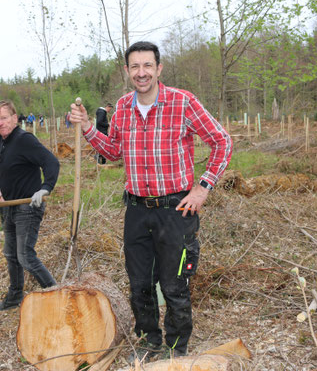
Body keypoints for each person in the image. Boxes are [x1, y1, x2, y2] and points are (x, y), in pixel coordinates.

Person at [69, 41, 232, 361]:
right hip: (136, 210)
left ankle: (175, 348)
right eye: (134, 67)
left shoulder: (183, 102)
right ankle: (148, 342)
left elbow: (221, 142)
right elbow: (113, 151)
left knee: (174, 286)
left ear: (159, 69)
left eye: (147, 66)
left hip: (176, 210)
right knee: (140, 284)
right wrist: (88, 127)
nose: (141, 73)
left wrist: (202, 188)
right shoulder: (123, 107)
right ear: (127, 71)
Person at [0, 100, 60, 311]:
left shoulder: (24, 139)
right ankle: (15, 297)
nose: (0, 123)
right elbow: (13, 174)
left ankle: (57, 295)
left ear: (15, 118)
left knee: (25, 255)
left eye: (4, 118)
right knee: (11, 254)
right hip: (10, 206)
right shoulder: (6, 142)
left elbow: (51, 161)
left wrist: (45, 188)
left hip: (28, 206)